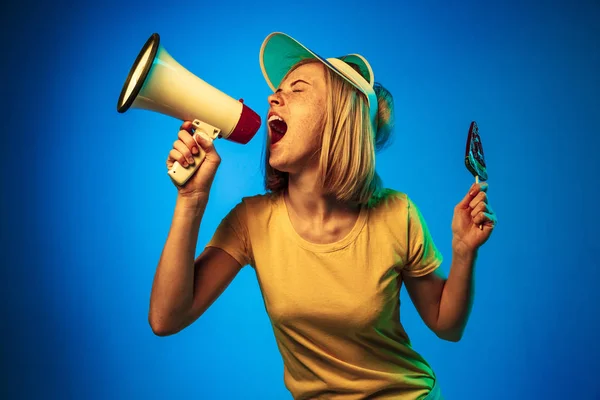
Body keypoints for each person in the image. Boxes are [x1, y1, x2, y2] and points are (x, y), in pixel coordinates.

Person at [149, 32, 497, 400]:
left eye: (297, 89)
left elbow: (447, 324)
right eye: (277, 92)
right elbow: (166, 318)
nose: (272, 99)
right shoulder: (251, 221)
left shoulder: (398, 214)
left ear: (340, 121)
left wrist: (463, 251)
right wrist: (191, 199)